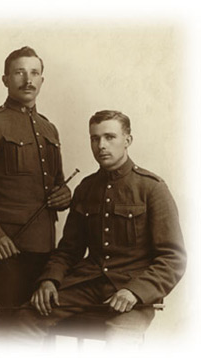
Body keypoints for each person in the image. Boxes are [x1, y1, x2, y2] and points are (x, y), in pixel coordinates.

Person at [12, 110, 187, 348]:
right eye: (94, 138)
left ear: (128, 140)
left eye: (109, 137)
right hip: (87, 284)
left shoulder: (152, 188)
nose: (101, 145)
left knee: (120, 341)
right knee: (26, 319)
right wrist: (50, 280)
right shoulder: (86, 188)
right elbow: (69, 250)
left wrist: (135, 292)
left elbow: (172, 258)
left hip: (132, 290)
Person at [0, 46, 71, 338]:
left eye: (34, 73)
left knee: (38, 331)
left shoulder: (49, 129)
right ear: (5, 79)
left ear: (42, 80)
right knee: (2, 332)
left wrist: (64, 194)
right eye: (19, 72)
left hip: (45, 251)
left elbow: (57, 183)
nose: (27, 79)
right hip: (7, 253)